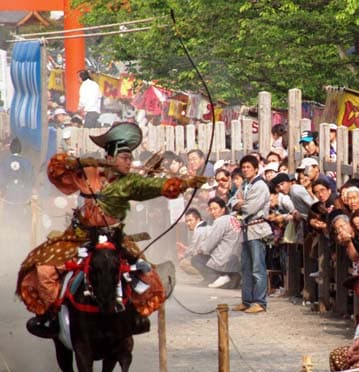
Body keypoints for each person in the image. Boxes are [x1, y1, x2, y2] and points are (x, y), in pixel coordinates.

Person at [18, 122, 206, 338]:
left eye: (130, 158)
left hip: (115, 238)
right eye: (125, 158)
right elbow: (57, 174)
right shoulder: (88, 172)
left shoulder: (130, 182)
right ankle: (51, 316)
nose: (130, 162)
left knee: (147, 275)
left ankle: (135, 317)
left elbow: (158, 186)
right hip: (79, 237)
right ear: (109, 158)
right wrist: (72, 162)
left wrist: (186, 183)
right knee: (43, 269)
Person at [230, 155, 272, 314]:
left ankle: (260, 301)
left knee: (257, 268)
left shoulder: (260, 186)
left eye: (249, 167)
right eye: (244, 167)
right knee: (246, 268)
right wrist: (238, 203)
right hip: (246, 229)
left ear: (255, 168)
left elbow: (250, 208)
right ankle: (246, 300)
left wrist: (240, 204)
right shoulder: (246, 185)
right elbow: (231, 201)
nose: (246, 170)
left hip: (257, 228)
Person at [191, 197, 242, 288]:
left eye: (215, 209)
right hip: (236, 259)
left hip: (223, 259)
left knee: (196, 259)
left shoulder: (220, 221)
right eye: (211, 209)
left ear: (223, 209)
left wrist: (199, 250)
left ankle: (216, 277)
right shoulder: (235, 219)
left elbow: (209, 244)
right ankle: (229, 277)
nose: (213, 212)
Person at [177, 208, 205, 275]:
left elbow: (195, 251)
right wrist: (185, 248)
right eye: (186, 221)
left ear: (198, 219)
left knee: (184, 263)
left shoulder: (200, 231)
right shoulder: (202, 228)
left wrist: (183, 255)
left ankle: (208, 275)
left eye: (190, 220)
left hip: (211, 262)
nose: (188, 223)